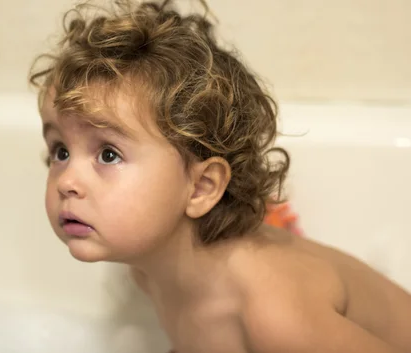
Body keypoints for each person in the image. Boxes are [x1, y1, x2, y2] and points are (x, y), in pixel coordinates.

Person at [28, 0, 411, 352]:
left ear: (201, 186)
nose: (66, 182)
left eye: (108, 154)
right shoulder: (149, 271)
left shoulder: (274, 313)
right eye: (60, 151)